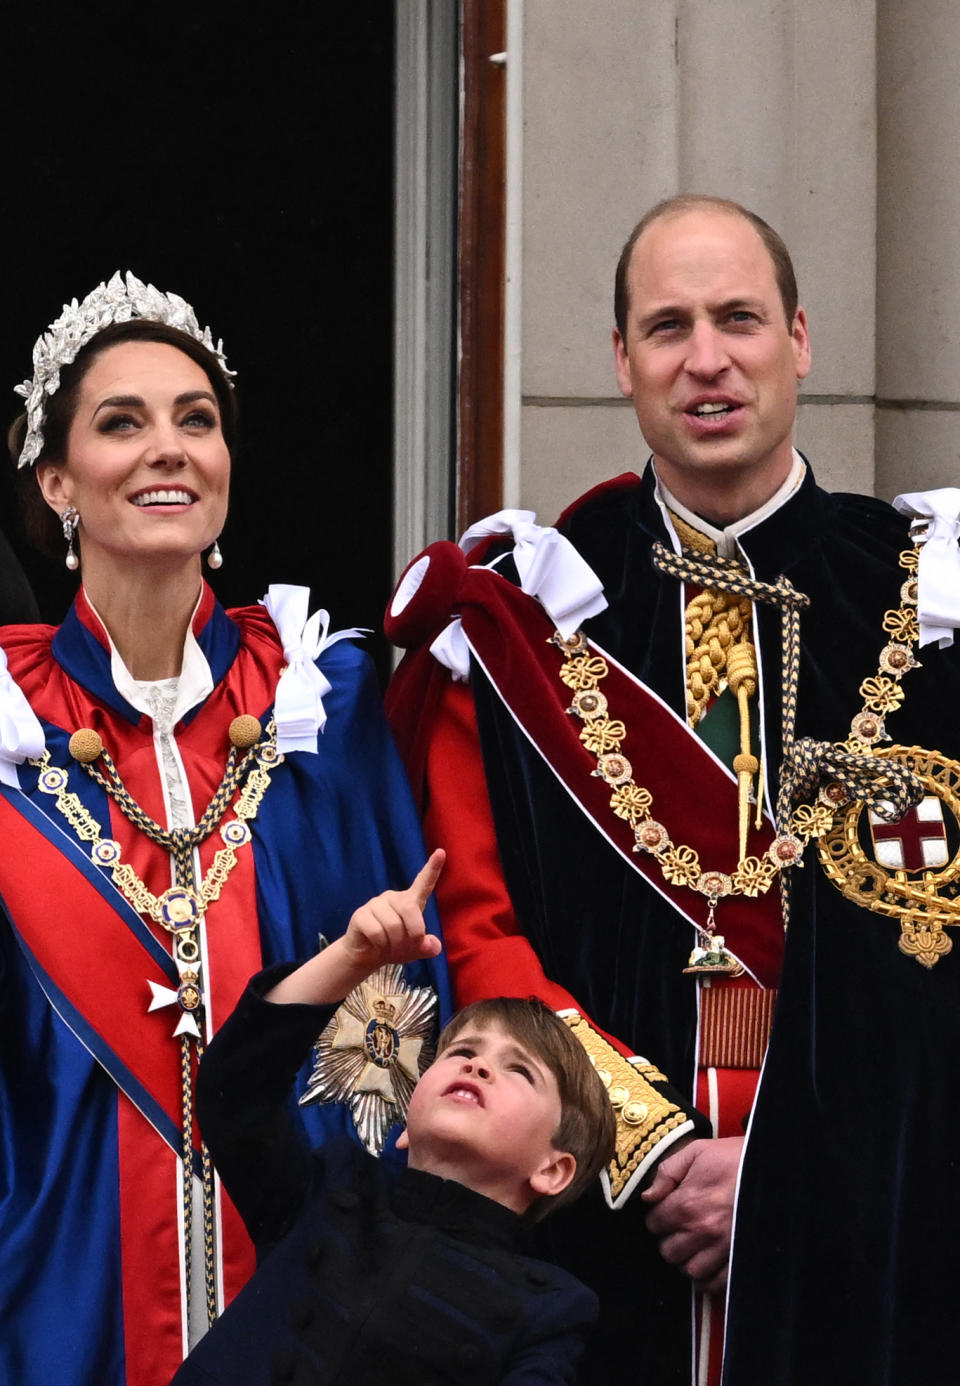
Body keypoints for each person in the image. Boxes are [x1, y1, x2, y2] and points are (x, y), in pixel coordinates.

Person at [384, 195, 960, 1385]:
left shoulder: (933, 603)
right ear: (621, 360)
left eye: (739, 318)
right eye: (668, 326)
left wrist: (794, 1168)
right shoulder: (528, 615)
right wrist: (648, 1156)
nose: (707, 359)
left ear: (798, 338)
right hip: (600, 1213)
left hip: (875, 1212)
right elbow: (479, 931)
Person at [0, 272, 450, 1386]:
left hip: (299, 1299)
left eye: (195, 421)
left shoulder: (319, 702)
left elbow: (395, 1013)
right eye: (122, 423)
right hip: (56, 1294)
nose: (168, 449)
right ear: (56, 480)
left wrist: (347, 1248)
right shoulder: (6, 734)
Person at [172, 849, 616, 1386]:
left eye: (519, 1070)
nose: (476, 1065)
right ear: (406, 1122)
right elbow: (236, 1089)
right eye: (460, 1052)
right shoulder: (325, 1189)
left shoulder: (552, 1312)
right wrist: (352, 958)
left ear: (553, 1169)